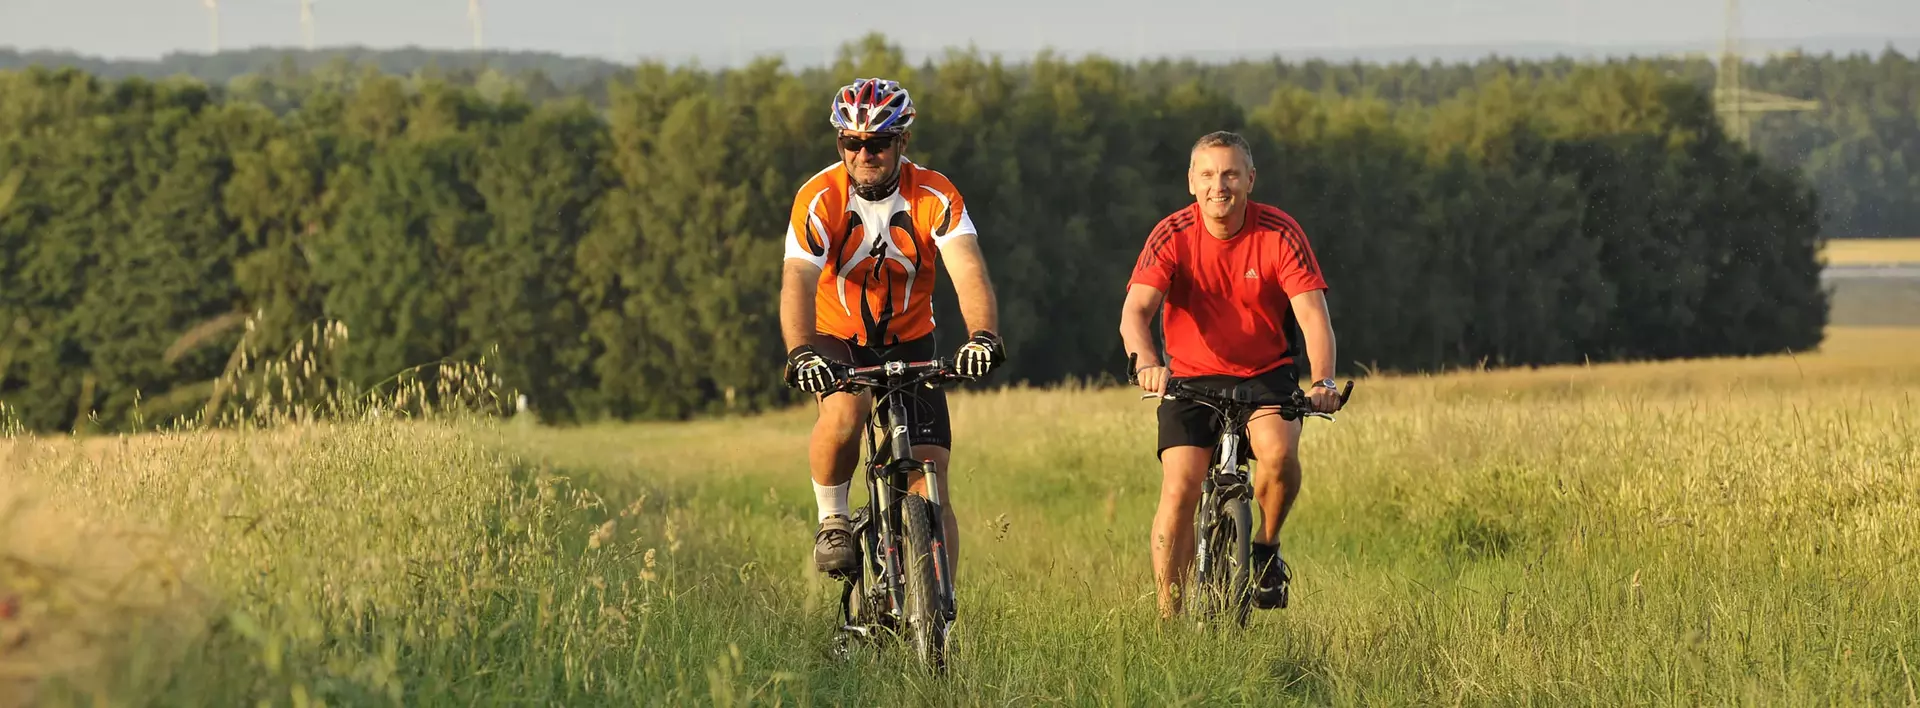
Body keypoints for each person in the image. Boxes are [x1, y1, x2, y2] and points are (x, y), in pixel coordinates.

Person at [780, 77, 1005, 580]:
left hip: (910, 338)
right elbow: (797, 279)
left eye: (878, 143)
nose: (864, 154)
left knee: (931, 476)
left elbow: (966, 268)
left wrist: (983, 336)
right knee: (847, 410)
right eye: (852, 143)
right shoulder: (820, 197)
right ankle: (833, 518)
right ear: (840, 142)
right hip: (836, 336)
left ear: (902, 141)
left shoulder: (934, 193)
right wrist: (800, 352)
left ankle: (937, 609)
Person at [1118, 130, 1343, 619]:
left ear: (1250, 180)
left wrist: (1323, 381)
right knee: (1181, 484)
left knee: (1278, 456)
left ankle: (1264, 548)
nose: (1219, 186)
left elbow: (1313, 317)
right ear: (1191, 183)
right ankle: (1168, 617)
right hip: (1190, 379)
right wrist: (1147, 363)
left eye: (1230, 174)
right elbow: (1135, 312)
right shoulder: (1172, 234)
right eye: (1208, 175)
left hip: (1266, 373)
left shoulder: (1279, 234)